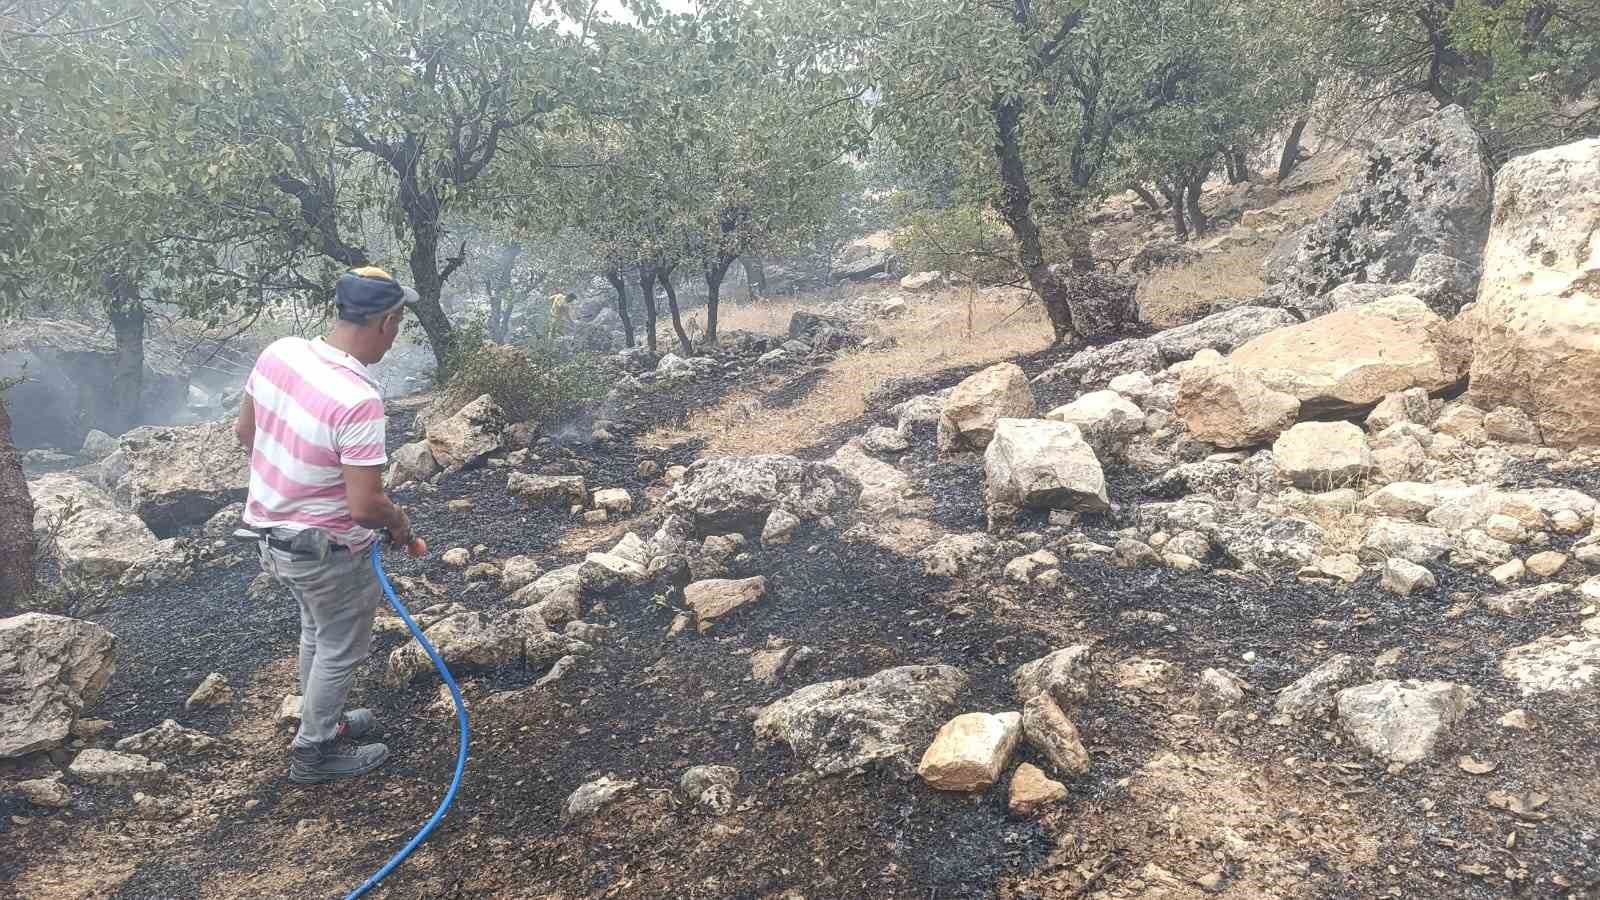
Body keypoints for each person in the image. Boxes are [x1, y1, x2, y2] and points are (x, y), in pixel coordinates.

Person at [234, 266, 421, 784]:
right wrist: (400, 523)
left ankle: (325, 721)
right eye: (399, 321)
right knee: (339, 645)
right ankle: (314, 754)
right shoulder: (358, 398)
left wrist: (295, 484)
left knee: (316, 630)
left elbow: (246, 433)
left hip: (274, 539)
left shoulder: (280, 352)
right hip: (326, 551)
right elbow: (365, 507)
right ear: (386, 322)